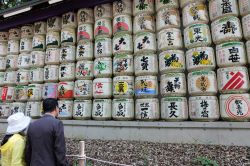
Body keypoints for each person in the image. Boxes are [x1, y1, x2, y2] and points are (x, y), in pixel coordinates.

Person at [25, 98, 68, 166]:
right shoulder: (57, 124)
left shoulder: (32, 125)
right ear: (56, 108)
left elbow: (28, 150)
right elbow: (59, 149)